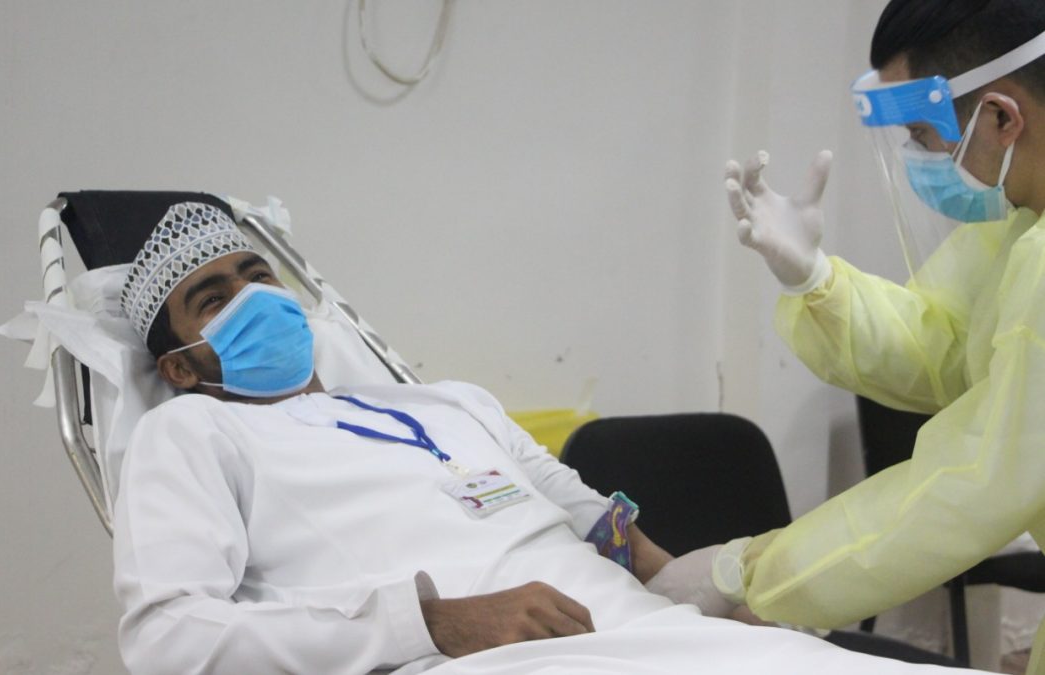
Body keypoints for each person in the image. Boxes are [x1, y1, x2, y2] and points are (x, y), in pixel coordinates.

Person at [111, 202, 968, 674]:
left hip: (648, 629)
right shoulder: (191, 432)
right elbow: (167, 638)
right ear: (178, 365)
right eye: (215, 299)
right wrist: (437, 621)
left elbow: (591, 515)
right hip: (491, 659)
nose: (255, 298)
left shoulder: (446, 401)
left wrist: (694, 583)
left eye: (258, 274)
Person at [661, 1, 1045, 672]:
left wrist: (751, 571)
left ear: (1002, 118)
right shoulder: (1023, 221)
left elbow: (978, 476)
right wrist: (816, 283)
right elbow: (949, 348)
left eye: (922, 134)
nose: (920, 158)